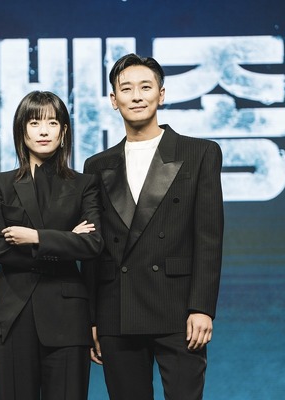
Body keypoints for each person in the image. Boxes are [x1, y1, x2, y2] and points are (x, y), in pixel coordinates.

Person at [82, 53, 224, 399]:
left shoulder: (199, 153)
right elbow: (94, 247)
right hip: (117, 310)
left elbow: (209, 237)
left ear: (161, 94)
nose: (136, 96)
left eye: (145, 87)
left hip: (178, 308)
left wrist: (202, 307)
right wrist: (93, 318)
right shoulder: (97, 165)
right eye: (126, 89)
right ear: (113, 100)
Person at [0, 91, 103, 400]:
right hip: (12, 315)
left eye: (52, 122)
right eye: (34, 123)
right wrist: (66, 241)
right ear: (21, 130)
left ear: (64, 131)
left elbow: (92, 244)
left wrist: (36, 238)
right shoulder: (0, 183)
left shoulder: (84, 184)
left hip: (68, 316)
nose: (44, 131)